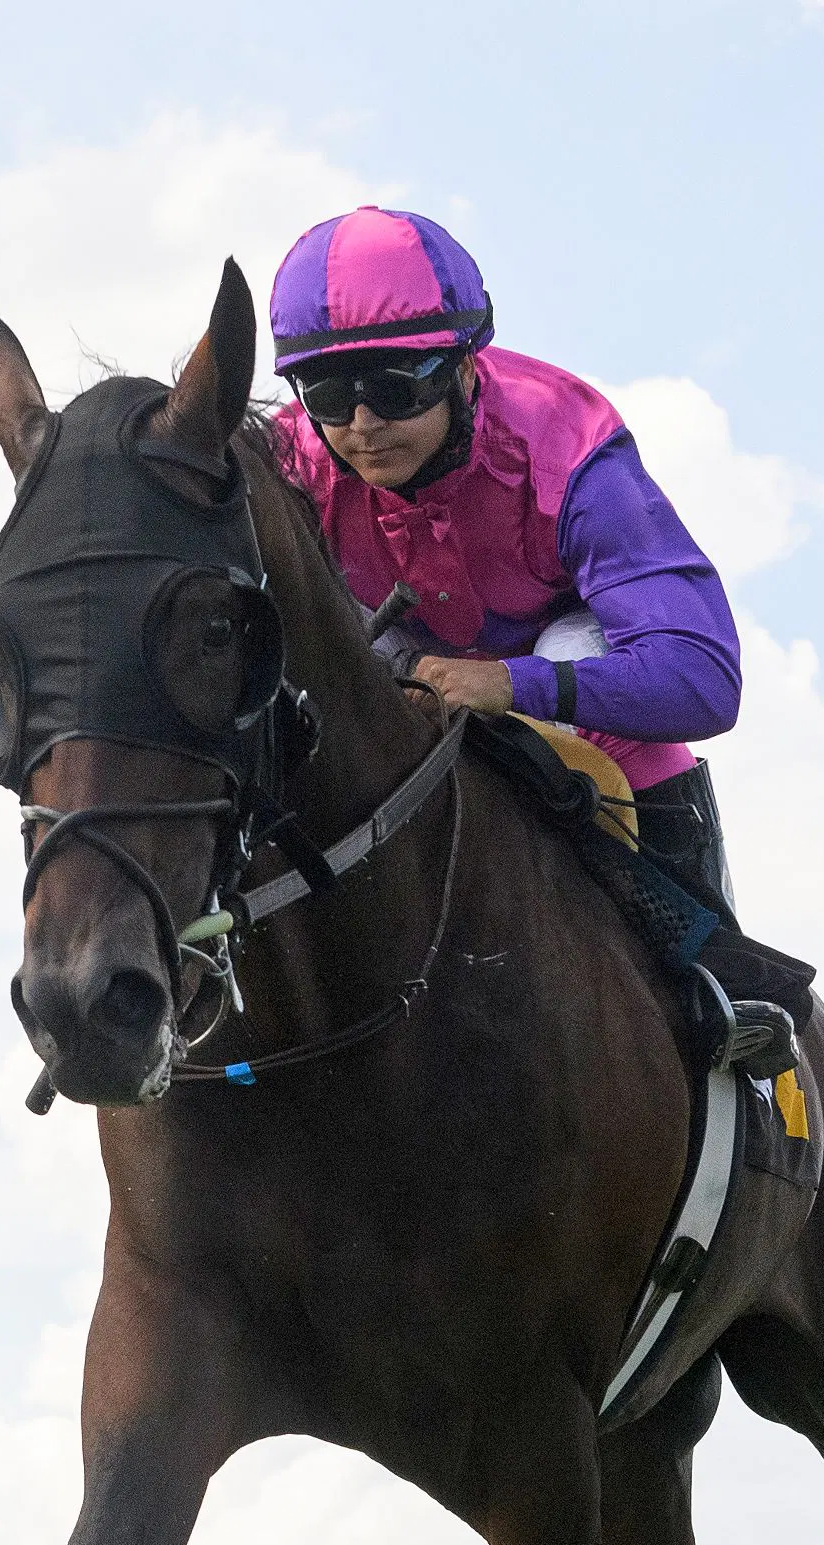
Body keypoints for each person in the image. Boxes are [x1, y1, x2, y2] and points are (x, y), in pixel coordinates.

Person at [266, 209, 782, 1015]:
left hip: (552, 655)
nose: (362, 427)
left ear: (467, 370)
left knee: (584, 657)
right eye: (328, 395)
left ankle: (715, 983)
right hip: (393, 647)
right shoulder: (290, 461)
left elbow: (705, 679)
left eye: (395, 390)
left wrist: (513, 684)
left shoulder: (571, 446)